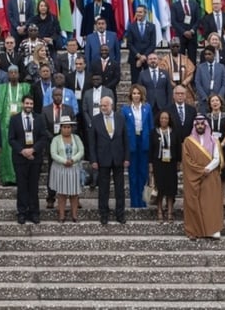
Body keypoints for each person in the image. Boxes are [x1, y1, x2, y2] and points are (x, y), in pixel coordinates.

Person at [181, 116, 223, 240]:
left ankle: (213, 229)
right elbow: (187, 160)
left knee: (211, 202)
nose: (200, 126)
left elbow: (217, 158)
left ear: (206, 125)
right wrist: (201, 170)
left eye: (202, 124)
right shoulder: (188, 141)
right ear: (195, 125)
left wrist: (207, 169)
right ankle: (194, 230)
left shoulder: (214, 140)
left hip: (210, 175)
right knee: (193, 202)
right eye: (197, 124)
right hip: (193, 176)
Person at [91, 96, 129, 225]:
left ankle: (120, 214)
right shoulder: (95, 120)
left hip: (118, 158)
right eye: (101, 106)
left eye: (105, 106)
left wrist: (126, 158)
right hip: (102, 159)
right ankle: (104, 214)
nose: (103, 108)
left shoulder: (120, 118)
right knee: (103, 189)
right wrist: (93, 160)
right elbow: (92, 143)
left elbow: (126, 139)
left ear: (111, 105)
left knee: (119, 188)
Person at [8, 95, 46, 224]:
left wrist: (33, 150)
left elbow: (43, 137)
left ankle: (34, 212)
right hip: (20, 158)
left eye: (31, 103)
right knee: (22, 186)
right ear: (22, 104)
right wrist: (23, 151)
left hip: (35, 158)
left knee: (34, 187)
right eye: (27, 103)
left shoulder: (39, 119)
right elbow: (11, 139)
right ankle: (22, 212)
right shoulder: (14, 119)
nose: (29, 105)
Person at [121, 85, 153, 209]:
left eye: (138, 93)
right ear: (130, 95)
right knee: (133, 174)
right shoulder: (125, 109)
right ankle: (134, 202)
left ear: (141, 95)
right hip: (132, 143)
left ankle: (143, 201)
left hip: (144, 142)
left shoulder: (147, 108)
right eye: (134, 93)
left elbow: (150, 127)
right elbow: (123, 129)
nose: (136, 95)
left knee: (143, 174)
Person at [50, 116, 84, 222]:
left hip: (74, 169)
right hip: (61, 169)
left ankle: (74, 216)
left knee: (74, 194)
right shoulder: (55, 139)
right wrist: (64, 161)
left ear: (71, 128)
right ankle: (61, 215)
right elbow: (53, 154)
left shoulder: (76, 138)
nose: (67, 129)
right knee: (62, 194)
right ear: (61, 128)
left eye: (69, 127)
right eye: (64, 127)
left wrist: (73, 160)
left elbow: (81, 151)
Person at [149, 110, 178, 224]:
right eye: (162, 118)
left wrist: (178, 162)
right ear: (158, 120)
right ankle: (159, 211)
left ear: (169, 120)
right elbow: (151, 150)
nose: (164, 120)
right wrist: (150, 165)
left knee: (171, 189)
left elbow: (178, 149)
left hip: (171, 163)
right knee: (159, 188)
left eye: (166, 118)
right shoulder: (154, 132)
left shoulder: (174, 132)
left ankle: (170, 211)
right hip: (158, 163)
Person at [205, 95, 225, 211]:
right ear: (210, 104)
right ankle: (212, 198)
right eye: (212, 101)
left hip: (223, 148)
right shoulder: (206, 117)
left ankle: (222, 199)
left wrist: (221, 145)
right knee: (212, 174)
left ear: (221, 103)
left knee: (224, 175)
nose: (215, 103)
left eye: (217, 100)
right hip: (210, 149)